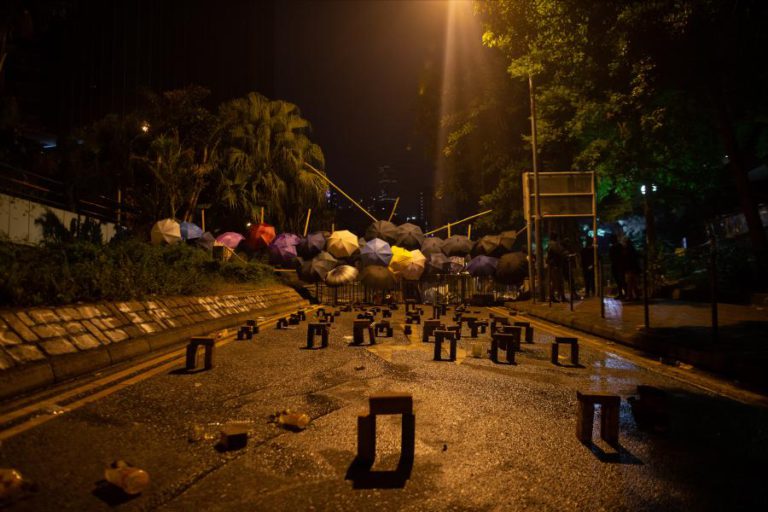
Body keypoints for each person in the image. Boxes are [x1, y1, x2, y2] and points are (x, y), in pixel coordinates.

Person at [546, 233, 566, 302]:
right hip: (555, 265)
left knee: (554, 282)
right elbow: (559, 252)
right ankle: (558, 297)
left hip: (553, 265)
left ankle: (555, 296)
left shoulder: (550, 244)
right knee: (557, 281)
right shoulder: (554, 244)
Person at [608, 234, 626, 299]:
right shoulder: (619, 246)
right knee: (620, 280)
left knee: (620, 280)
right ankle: (622, 293)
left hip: (618, 265)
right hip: (618, 265)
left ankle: (623, 293)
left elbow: (611, 257)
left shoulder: (614, 247)